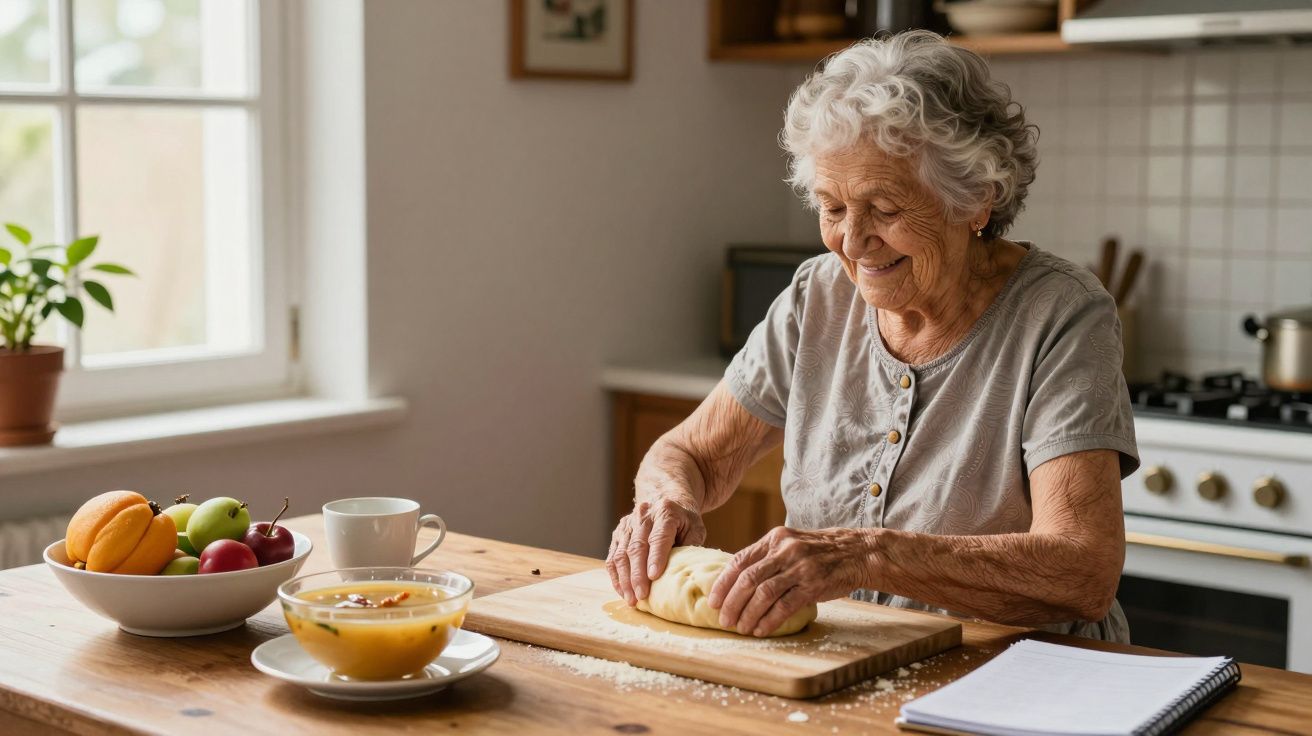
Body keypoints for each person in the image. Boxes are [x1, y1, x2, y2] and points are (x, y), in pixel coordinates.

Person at [606, 30, 1138, 642]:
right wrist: (666, 501)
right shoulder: (819, 296)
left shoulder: (1061, 315)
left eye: (884, 209)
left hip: (1021, 683)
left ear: (976, 200)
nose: (852, 244)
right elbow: (690, 454)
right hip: (847, 669)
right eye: (832, 208)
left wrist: (865, 554)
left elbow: (1082, 570)